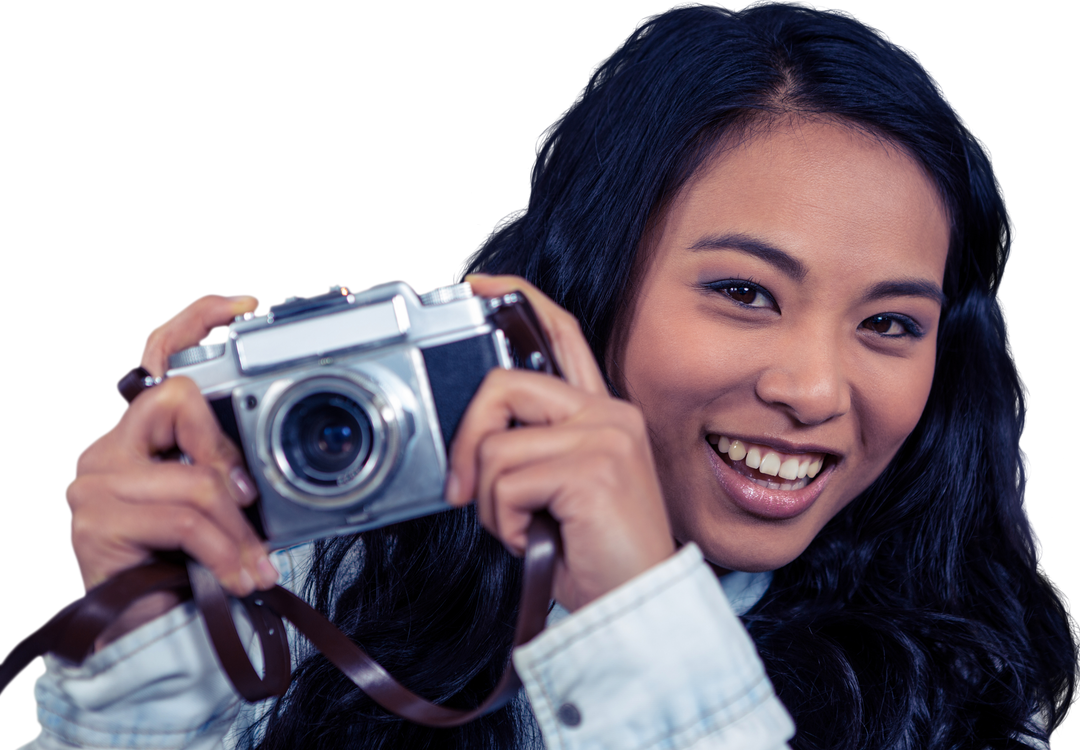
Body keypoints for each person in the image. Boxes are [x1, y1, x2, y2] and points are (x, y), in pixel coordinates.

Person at [18, 1, 1078, 748]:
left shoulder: (969, 693)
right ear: (597, 286)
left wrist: (634, 610)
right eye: (745, 293)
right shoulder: (325, 588)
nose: (814, 388)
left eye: (891, 322)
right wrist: (143, 665)